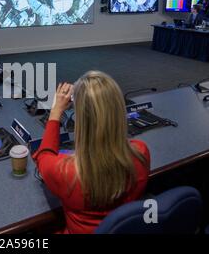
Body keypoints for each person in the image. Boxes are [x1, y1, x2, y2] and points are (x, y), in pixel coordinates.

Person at [33, 71, 150, 234]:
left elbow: (43, 154)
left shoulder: (66, 171)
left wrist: (56, 112)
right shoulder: (141, 152)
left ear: (81, 118)